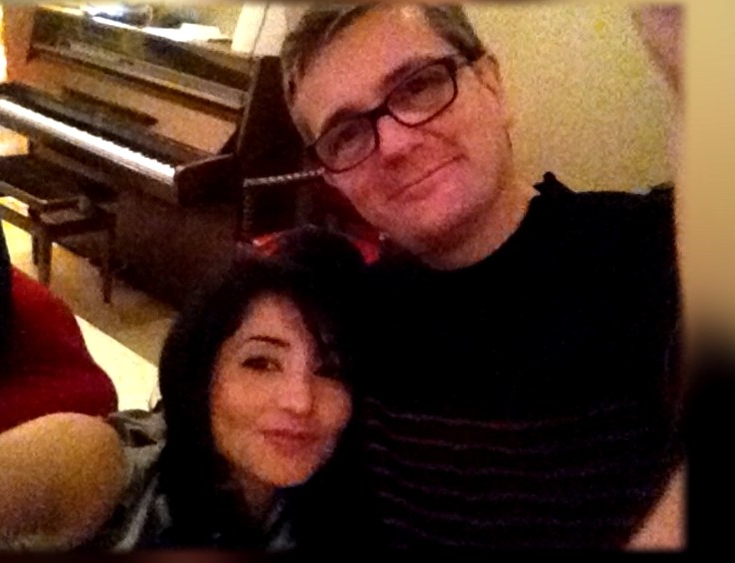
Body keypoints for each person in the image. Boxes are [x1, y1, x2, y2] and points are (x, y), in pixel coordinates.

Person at [280, 4, 682, 549]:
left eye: (419, 86)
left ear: (492, 84)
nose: (395, 144)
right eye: (346, 134)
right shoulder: (346, 325)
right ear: (331, 176)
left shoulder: (659, 253)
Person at [0, 227, 368, 551]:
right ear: (200, 371)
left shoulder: (335, 502)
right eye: (260, 363)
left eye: (331, 370)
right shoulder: (106, 466)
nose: (300, 402)